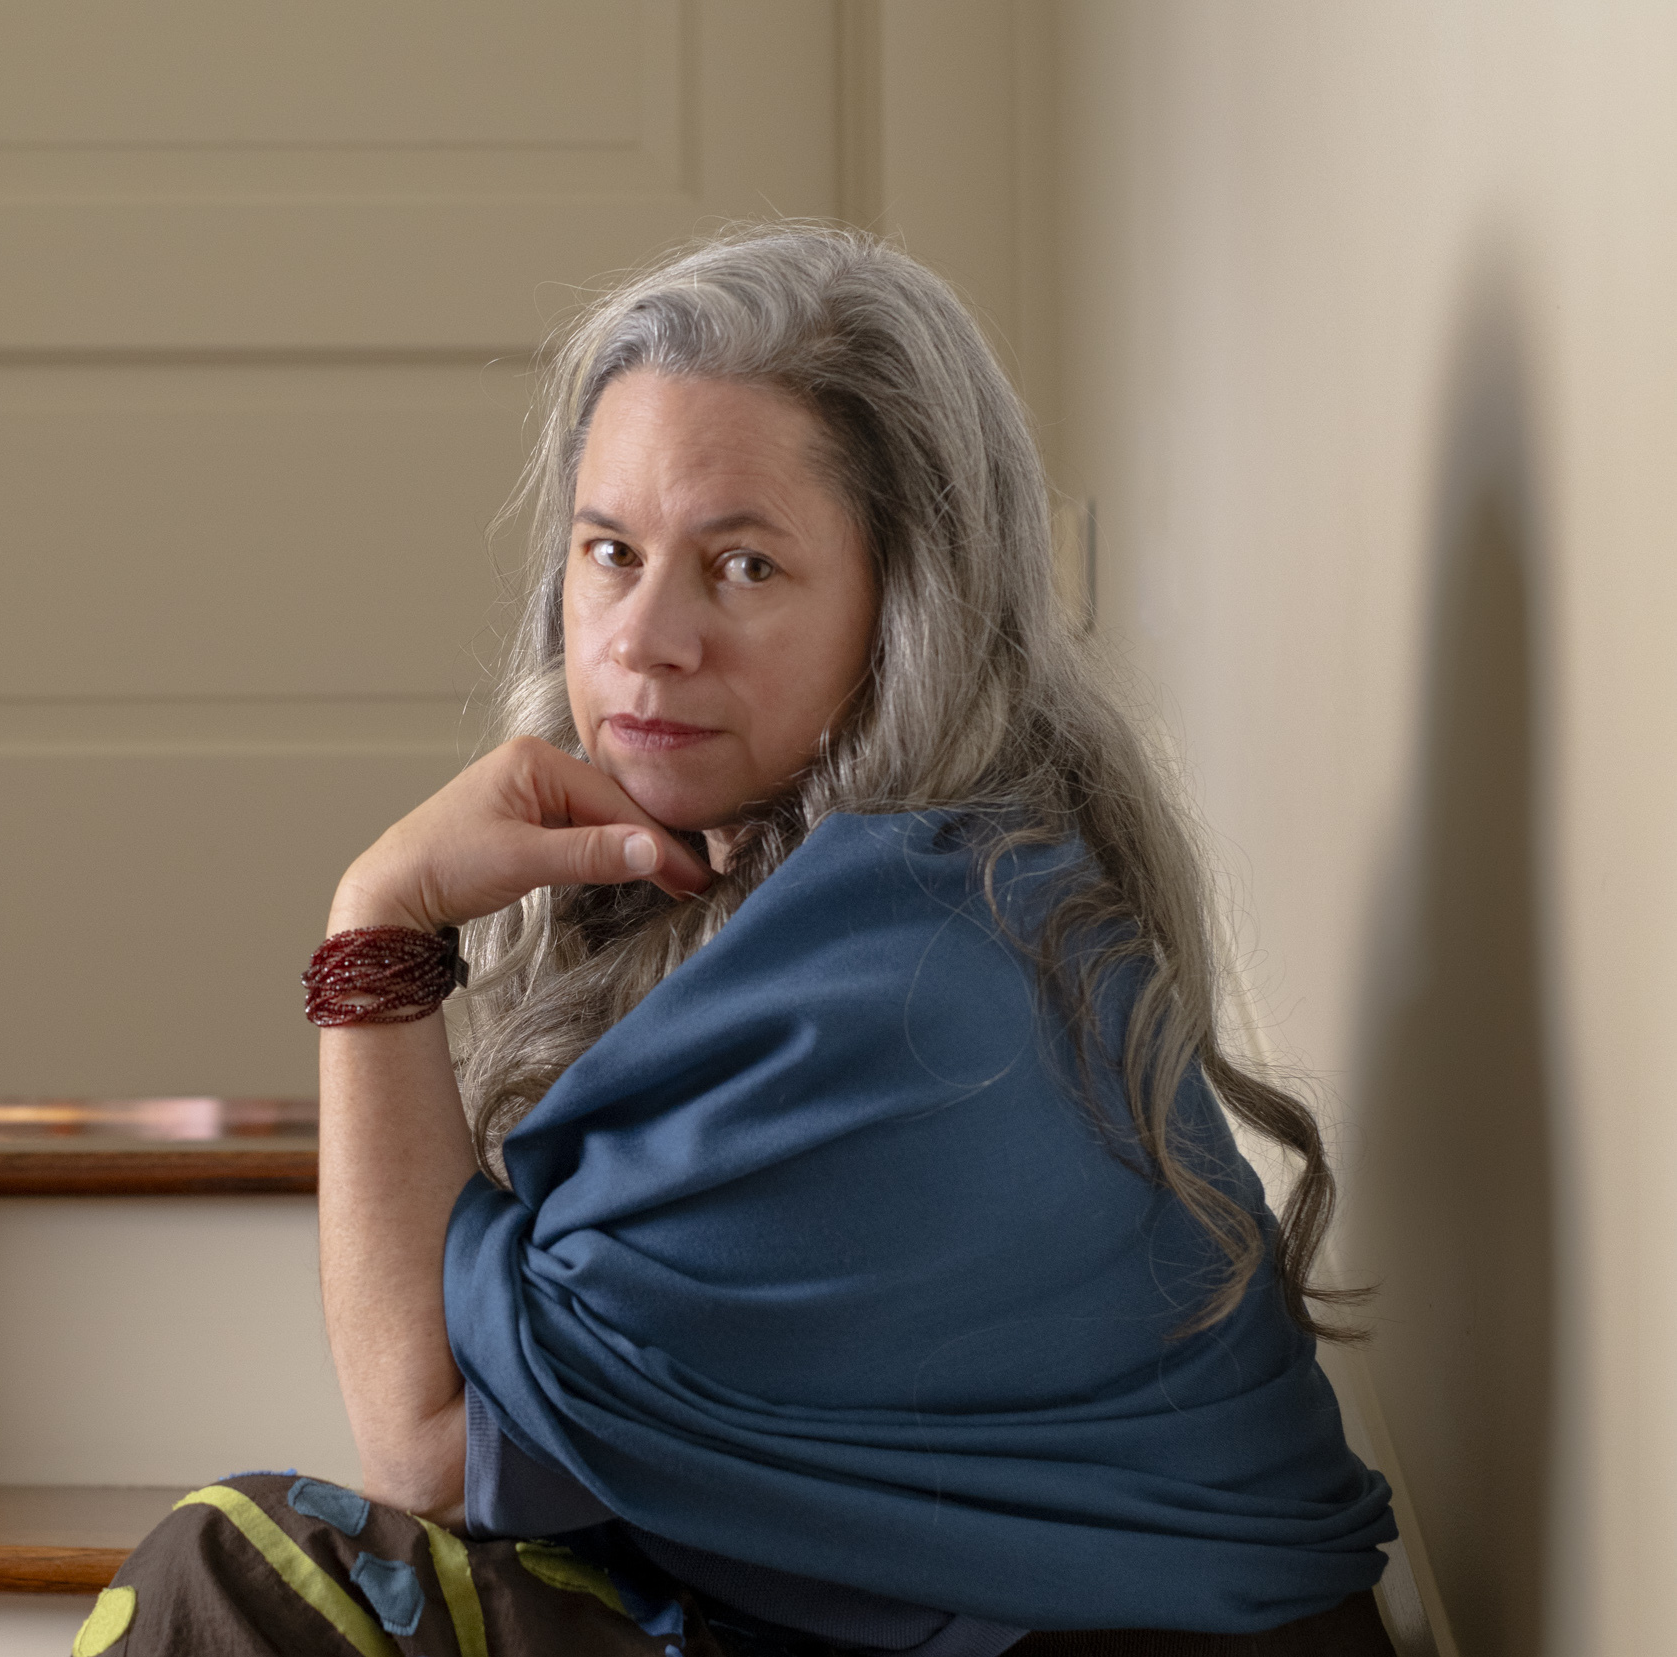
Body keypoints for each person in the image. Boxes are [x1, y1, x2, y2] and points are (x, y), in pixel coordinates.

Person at [73, 224, 1398, 1656]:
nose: (646, 636)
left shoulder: (907, 982)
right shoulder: (923, 884)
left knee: (232, 1588)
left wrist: (377, 923)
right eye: (609, 552)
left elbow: (432, 1443)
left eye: (745, 566)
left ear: (909, 613)